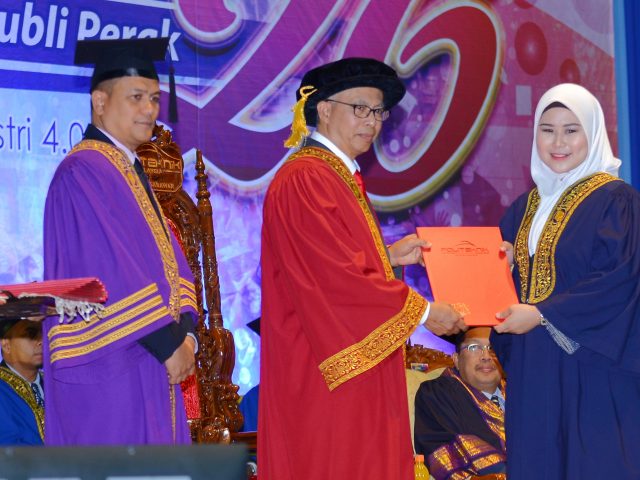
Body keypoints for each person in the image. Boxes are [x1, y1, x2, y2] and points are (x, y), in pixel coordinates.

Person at [259, 57, 466, 480]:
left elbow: (331, 258)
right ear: (323, 109)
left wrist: (387, 256)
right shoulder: (306, 178)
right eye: (360, 109)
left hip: (357, 368)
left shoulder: (335, 175)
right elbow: (335, 279)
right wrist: (425, 312)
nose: (372, 122)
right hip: (326, 373)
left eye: (378, 112)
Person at [43, 38, 198, 445]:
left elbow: (172, 264)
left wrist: (187, 336)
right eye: (136, 97)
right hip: (113, 364)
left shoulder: (128, 170)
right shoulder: (83, 171)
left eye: (154, 98)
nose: (149, 110)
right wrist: (169, 345)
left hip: (152, 356)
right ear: (100, 101)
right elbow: (108, 268)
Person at [492, 83, 640, 479]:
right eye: (547, 130)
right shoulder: (522, 209)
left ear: (592, 134)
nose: (558, 142)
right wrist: (502, 267)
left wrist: (542, 314)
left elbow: (620, 280)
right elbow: (510, 291)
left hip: (593, 368)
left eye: (571, 130)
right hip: (533, 368)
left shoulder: (616, 201)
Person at [414, 327, 506, 479]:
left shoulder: (523, 394)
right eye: (474, 347)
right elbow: (439, 447)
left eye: (493, 348)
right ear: (456, 359)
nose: (486, 356)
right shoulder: (437, 392)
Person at [0, 319, 45, 445]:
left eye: (44, 333)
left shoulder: (56, 385)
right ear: (6, 345)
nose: (41, 341)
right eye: (31, 334)